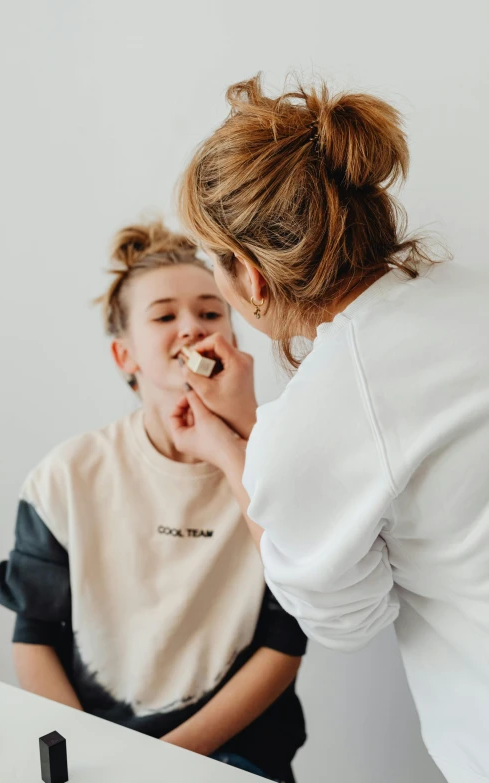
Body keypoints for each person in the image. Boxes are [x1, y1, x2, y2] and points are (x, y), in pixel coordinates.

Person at [169, 74, 489, 783]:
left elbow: (350, 619)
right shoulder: (472, 294)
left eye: (213, 268)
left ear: (251, 278)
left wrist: (237, 450)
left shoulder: (321, 416)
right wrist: (261, 435)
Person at [0, 221, 307, 783]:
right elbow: (34, 635)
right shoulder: (67, 476)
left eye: (211, 313)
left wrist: (246, 433)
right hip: (99, 747)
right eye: (164, 316)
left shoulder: (276, 468)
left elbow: (288, 639)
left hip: (238, 748)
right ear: (124, 354)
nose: (190, 328)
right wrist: (102, 754)